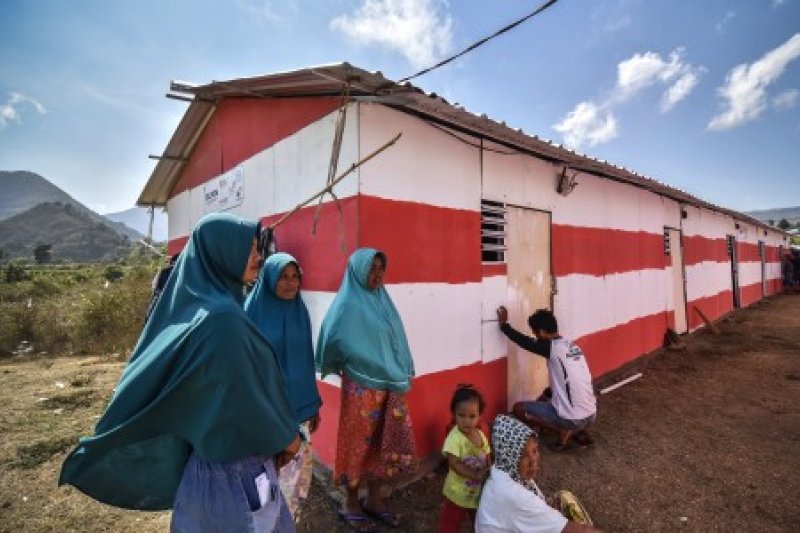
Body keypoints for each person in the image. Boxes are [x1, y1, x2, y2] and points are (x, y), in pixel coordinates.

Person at [59, 213, 302, 532]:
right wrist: (288, 440)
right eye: (250, 248)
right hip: (237, 477)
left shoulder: (202, 309)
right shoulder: (223, 320)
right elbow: (244, 401)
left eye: (258, 247)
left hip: (204, 474)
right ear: (221, 252)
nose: (258, 255)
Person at [316, 248, 417, 531]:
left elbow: (397, 339)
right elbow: (331, 336)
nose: (376, 275)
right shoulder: (348, 303)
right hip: (361, 389)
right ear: (358, 270)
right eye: (371, 269)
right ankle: (350, 502)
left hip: (389, 386)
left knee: (382, 447)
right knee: (356, 446)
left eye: (380, 269)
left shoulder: (384, 300)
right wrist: (350, 362)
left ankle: (375, 500)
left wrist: (401, 369)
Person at [244, 252, 322, 520]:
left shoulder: (300, 312)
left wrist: (312, 404)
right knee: (261, 483)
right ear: (269, 280)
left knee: (293, 480)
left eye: (295, 277)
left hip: (298, 411)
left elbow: (305, 362)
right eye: (283, 277)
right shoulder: (251, 314)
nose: (291, 283)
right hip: (264, 413)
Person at [497, 307, 596, 452]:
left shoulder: (552, 348)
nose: (536, 337)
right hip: (591, 414)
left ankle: (564, 430)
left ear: (542, 332)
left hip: (573, 418)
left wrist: (504, 326)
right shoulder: (572, 346)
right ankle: (575, 429)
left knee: (518, 409)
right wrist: (545, 396)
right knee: (544, 397)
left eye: (536, 333)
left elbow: (524, 342)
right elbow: (569, 381)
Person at [476, 415, 598, 532]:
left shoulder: (503, 470)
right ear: (509, 458)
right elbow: (582, 531)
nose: (533, 460)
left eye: (534, 450)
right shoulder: (516, 496)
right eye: (523, 456)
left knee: (564, 498)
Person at [437, 384, 491, 533]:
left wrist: (489, 471)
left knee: (479, 520)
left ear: (479, 415)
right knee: (450, 523)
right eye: (461, 415)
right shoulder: (455, 438)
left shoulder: (480, 435)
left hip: (476, 490)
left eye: (472, 416)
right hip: (457, 492)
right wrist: (475, 475)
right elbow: (453, 463)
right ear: (454, 415)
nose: (467, 421)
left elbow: (486, 455)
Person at [145, 252, 179, 321]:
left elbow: (154, 287)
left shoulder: (165, 271)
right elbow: (155, 287)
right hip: (162, 304)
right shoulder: (165, 271)